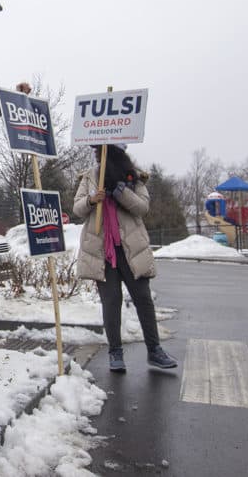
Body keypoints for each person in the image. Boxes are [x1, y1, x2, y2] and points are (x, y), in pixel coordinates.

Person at [73, 144, 178, 373]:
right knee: (111, 302)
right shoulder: (90, 177)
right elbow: (77, 208)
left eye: (105, 153)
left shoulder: (134, 177)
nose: (101, 158)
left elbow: (142, 208)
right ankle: (115, 352)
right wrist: (92, 200)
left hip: (131, 250)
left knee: (143, 298)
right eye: (98, 154)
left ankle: (154, 350)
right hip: (101, 252)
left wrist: (121, 192)